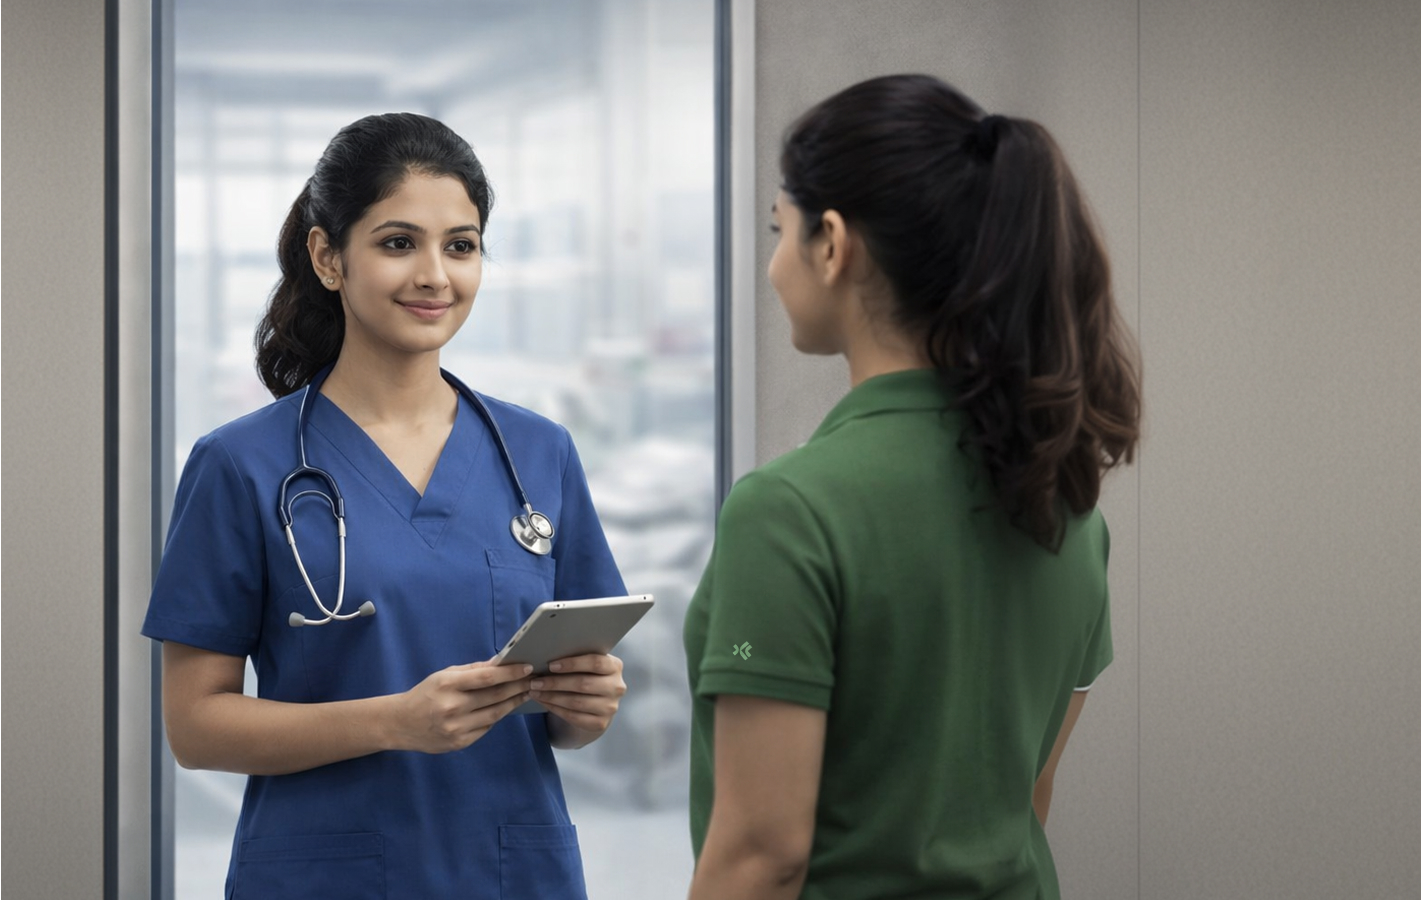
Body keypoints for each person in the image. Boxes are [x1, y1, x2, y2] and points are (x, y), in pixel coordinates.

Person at [143, 112, 628, 899]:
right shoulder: (240, 465)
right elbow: (195, 727)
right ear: (329, 258)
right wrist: (393, 723)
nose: (436, 275)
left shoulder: (540, 453)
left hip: (515, 872)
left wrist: (587, 704)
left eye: (461, 245)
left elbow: (571, 713)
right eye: (399, 243)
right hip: (327, 875)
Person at [685, 74, 1141, 900]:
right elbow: (1027, 796)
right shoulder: (1067, 504)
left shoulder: (789, 514)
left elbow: (763, 854)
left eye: (778, 230)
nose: (771, 262)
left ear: (832, 242)